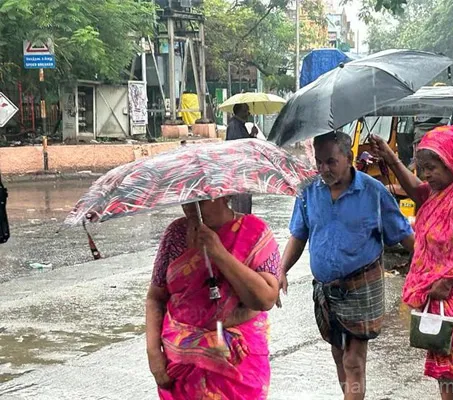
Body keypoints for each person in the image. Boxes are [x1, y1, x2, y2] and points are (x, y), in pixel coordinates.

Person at [278, 132, 415, 400]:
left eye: (331, 161)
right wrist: (282, 269)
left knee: (353, 360)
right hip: (326, 291)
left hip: (361, 285)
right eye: (319, 162)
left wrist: (430, 270)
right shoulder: (308, 192)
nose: (323, 169)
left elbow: (404, 235)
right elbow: (299, 234)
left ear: (349, 158)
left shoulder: (373, 192)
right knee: (339, 354)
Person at [370, 126, 453, 400]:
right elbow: (416, 189)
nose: (427, 174)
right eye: (423, 168)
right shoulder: (434, 194)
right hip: (438, 294)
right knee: (445, 369)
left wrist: (450, 281)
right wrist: (390, 158)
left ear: (452, 161)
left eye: (432, 167)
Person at [145, 197, 280, 399]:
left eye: (200, 201)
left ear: (224, 194)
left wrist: (218, 252)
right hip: (182, 366)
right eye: (187, 200)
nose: (191, 208)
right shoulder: (175, 235)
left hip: (239, 365)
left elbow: (265, 299)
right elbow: (156, 296)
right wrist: (153, 353)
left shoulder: (254, 232)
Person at [226, 103, 256, 214]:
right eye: (245, 110)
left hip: (243, 170)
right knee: (240, 202)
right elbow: (238, 147)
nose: (248, 113)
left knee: (245, 200)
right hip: (238, 170)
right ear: (238, 112)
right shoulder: (234, 125)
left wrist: (252, 136)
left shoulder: (239, 125)